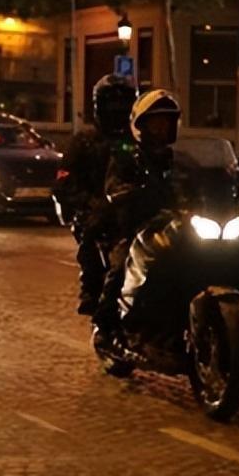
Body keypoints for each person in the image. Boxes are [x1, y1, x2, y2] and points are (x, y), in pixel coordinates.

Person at [92, 89, 182, 349]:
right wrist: (124, 191)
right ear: (141, 126)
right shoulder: (126, 157)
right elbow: (113, 184)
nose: (161, 129)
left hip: (173, 226)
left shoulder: (177, 159)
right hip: (133, 226)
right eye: (155, 123)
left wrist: (231, 186)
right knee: (122, 264)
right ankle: (105, 325)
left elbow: (199, 180)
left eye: (166, 123)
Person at [59, 75, 137, 315]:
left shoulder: (140, 141)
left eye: (123, 105)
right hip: (95, 211)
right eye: (112, 105)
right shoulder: (84, 142)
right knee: (91, 240)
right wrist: (88, 203)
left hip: (132, 208)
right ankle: (92, 292)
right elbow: (64, 182)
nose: (117, 111)